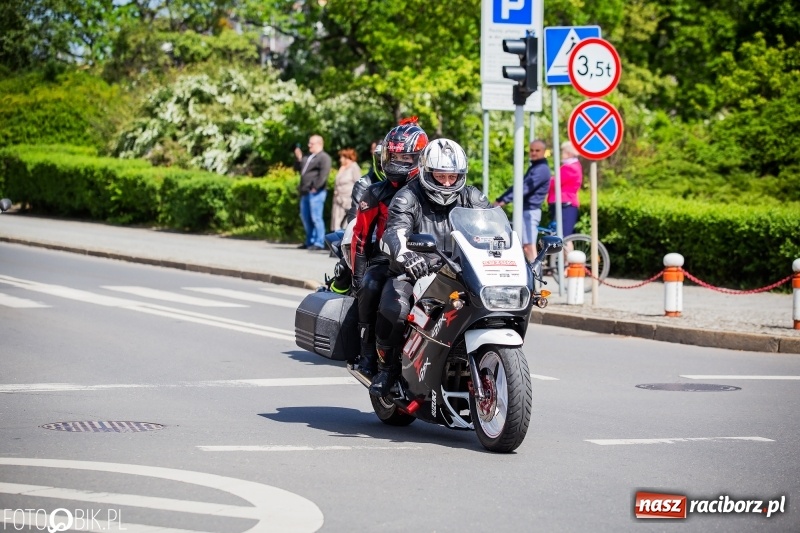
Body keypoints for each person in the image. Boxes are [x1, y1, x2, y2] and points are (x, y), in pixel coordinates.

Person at [369, 138, 490, 396]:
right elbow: (395, 232)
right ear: (426, 172)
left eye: (453, 176)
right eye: (440, 176)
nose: (447, 182)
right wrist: (406, 256)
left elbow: (496, 228)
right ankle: (387, 370)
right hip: (416, 270)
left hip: (460, 271)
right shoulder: (407, 196)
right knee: (395, 308)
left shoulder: (472, 196)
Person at [350, 120, 428, 377]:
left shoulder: (433, 190)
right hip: (388, 259)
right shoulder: (373, 193)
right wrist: (359, 277)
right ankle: (369, 352)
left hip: (431, 258)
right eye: (394, 156)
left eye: (406, 157)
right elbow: (360, 238)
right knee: (370, 286)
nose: (398, 163)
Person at [494, 139, 551, 262]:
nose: (534, 153)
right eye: (531, 150)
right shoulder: (535, 167)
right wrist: (501, 199)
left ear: (544, 152)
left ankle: (536, 277)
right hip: (527, 210)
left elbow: (523, 189)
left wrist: (503, 201)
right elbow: (518, 186)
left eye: (537, 150)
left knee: (529, 247)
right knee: (525, 246)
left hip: (531, 211)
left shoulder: (541, 169)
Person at [294, 134, 332, 251]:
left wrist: (316, 186)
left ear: (319, 144)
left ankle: (319, 242)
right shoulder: (308, 157)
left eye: (311, 143)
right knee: (305, 217)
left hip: (316, 192)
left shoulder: (324, 157)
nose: (309, 145)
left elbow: (324, 174)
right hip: (305, 192)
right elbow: (298, 169)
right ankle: (309, 241)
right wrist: (299, 158)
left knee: (316, 217)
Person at [547, 141, 583, 238]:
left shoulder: (570, 167)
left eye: (563, 151)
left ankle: (569, 253)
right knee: (562, 236)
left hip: (565, 204)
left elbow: (555, 182)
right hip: (562, 203)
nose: (561, 154)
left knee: (565, 237)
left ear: (569, 153)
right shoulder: (570, 166)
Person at [330, 148, 361, 230]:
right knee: (337, 224)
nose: (340, 159)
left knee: (346, 225)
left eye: (342, 157)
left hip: (348, 201)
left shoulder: (354, 167)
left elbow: (358, 183)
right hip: (338, 200)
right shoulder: (342, 167)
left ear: (347, 157)